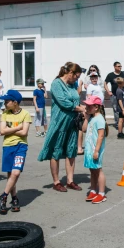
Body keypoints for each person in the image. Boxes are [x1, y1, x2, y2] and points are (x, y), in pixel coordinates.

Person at [38, 62, 87, 192]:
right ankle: (56, 182)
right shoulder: (56, 84)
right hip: (59, 122)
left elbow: (76, 98)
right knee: (56, 151)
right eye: (76, 76)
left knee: (71, 151)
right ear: (70, 73)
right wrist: (80, 108)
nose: (77, 79)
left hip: (72, 122)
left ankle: (70, 181)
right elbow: (64, 102)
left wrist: (81, 109)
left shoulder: (73, 84)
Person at [0, 89, 31, 214]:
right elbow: (2, 131)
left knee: (16, 173)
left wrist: (10, 129)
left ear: (15, 102)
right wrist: (18, 127)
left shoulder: (25, 114)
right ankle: (14, 198)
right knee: (11, 175)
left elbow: (24, 133)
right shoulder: (5, 114)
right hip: (7, 146)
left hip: (21, 146)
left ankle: (3, 196)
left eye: (7, 101)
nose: (5, 103)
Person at [82, 95, 108, 204]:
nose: (86, 107)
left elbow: (101, 136)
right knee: (92, 170)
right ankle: (93, 190)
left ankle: (101, 193)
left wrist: (96, 151)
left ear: (96, 107)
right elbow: (83, 129)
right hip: (89, 149)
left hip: (95, 150)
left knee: (98, 170)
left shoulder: (100, 119)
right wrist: (87, 118)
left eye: (89, 106)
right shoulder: (92, 118)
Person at [77, 71, 104, 154]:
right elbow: (89, 98)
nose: (94, 79)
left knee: (97, 126)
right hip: (93, 108)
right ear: (90, 79)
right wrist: (88, 109)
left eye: (95, 77)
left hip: (99, 108)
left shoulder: (98, 86)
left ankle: (95, 143)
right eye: (92, 78)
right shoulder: (90, 87)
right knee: (87, 127)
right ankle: (82, 146)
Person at [104, 61, 124, 130]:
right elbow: (105, 83)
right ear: (114, 67)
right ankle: (117, 124)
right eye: (118, 66)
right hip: (114, 95)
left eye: (121, 66)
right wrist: (108, 91)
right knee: (116, 110)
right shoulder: (110, 75)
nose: (120, 67)